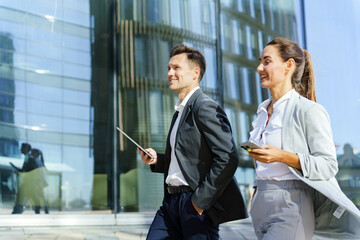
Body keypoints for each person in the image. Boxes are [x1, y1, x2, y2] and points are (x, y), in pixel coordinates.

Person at [247, 37, 360, 239]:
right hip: (260, 204)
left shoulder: (309, 110)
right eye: (260, 61)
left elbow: (328, 165)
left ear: (288, 65)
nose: (259, 68)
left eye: (267, 61)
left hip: (291, 202)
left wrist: (282, 156)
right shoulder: (262, 112)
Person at [138, 44, 247, 239]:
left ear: (195, 73)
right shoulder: (179, 111)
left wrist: (199, 202)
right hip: (171, 203)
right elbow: (188, 160)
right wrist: (157, 160)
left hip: (194, 203)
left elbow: (228, 157)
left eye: (176, 68)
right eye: (168, 68)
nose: (170, 73)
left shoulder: (204, 106)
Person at [11, 143, 49, 214]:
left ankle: (16, 213)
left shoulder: (30, 158)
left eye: (22, 148)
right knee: (37, 201)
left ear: (27, 149)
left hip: (32, 185)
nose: (21, 149)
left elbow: (26, 171)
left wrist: (16, 169)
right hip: (34, 185)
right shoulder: (30, 158)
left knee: (33, 201)